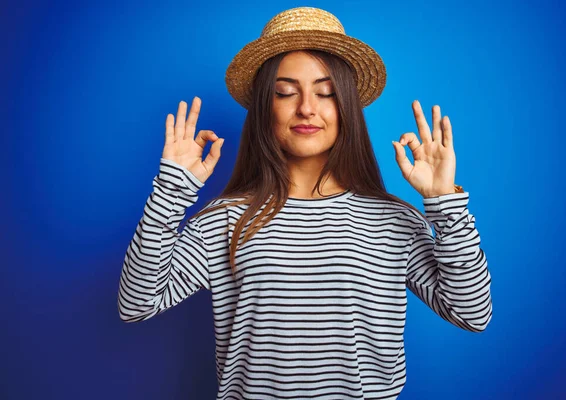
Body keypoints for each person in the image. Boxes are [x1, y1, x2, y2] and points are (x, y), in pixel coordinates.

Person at [117, 6, 492, 400]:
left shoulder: (394, 220)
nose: (307, 108)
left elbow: (471, 313)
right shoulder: (226, 219)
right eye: (285, 92)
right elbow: (136, 303)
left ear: (346, 105)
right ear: (266, 107)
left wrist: (445, 204)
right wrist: (171, 189)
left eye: (326, 92)